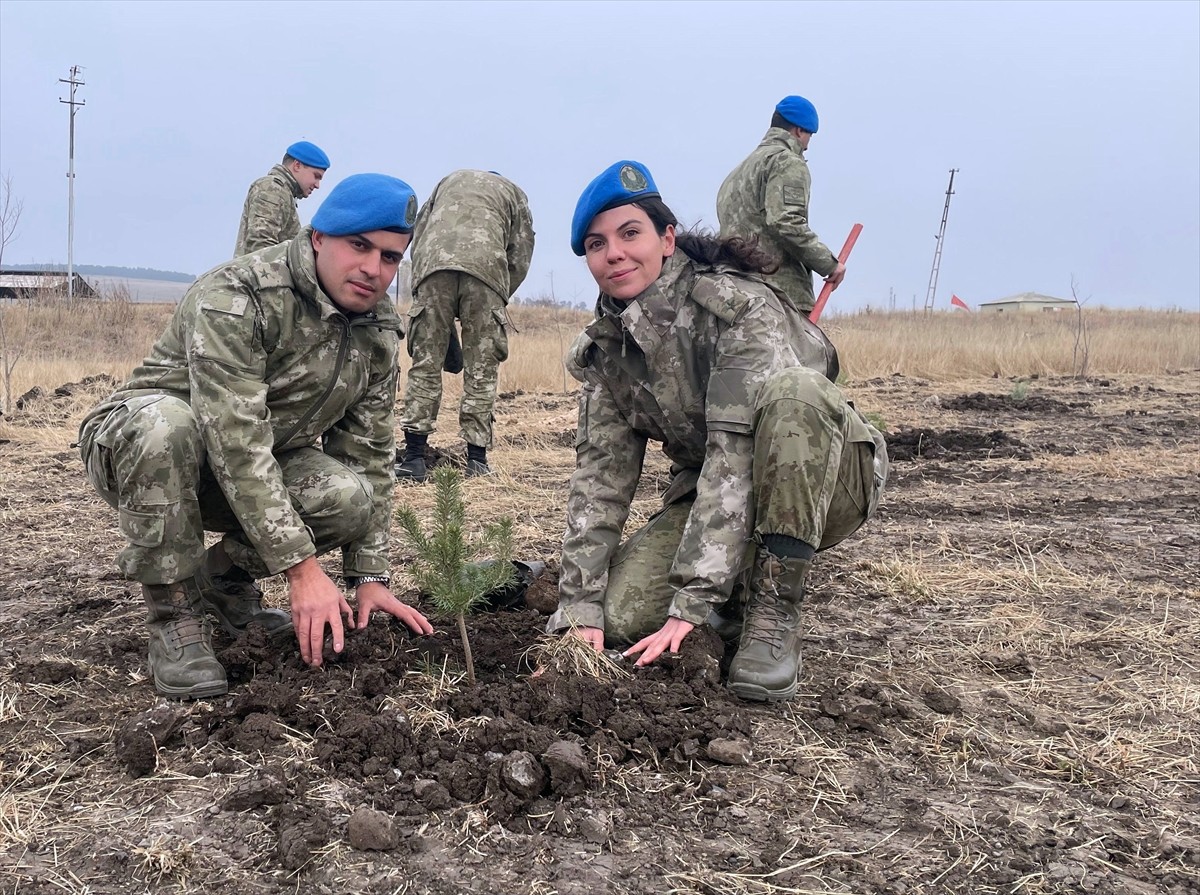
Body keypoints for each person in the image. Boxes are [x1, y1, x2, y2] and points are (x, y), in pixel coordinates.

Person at [80, 173, 434, 700]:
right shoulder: (241, 292)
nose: (373, 270)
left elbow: (369, 455)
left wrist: (369, 576)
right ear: (318, 237)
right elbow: (234, 435)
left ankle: (221, 583)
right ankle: (175, 615)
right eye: (359, 246)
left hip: (252, 464)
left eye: (390, 257)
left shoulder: (376, 327)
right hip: (150, 454)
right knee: (166, 424)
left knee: (347, 497)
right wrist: (300, 568)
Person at [548, 160, 887, 702]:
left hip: (824, 481)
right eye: (595, 244)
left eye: (629, 233)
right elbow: (600, 479)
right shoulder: (606, 347)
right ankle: (738, 589)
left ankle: (774, 614)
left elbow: (735, 453)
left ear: (667, 238)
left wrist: (693, 601)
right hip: (714, 495)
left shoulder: (737, 309)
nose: (613, 253)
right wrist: (578, 602)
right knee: (622, 616)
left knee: (796, 393)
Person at [395, 169, 535, 480]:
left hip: (433, 267)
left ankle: (414, 457)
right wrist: (500, 293)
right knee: (481, 368)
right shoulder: (513, 192)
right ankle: (477, 461)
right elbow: (522, 250)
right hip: (487, 272)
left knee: (426, 363)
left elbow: (419, 230)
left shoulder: (447, 180)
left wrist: (422, 283)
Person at [717, 96, 844, 315]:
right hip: (779, 295)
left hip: (735, 294)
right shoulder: (787, 162)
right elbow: (785, 221)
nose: (807, 146)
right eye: (809, 136)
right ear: (798, 131)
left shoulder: (736, 174)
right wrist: (829, 264)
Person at [234, 140, 330, 257]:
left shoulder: (283, 193)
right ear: (297, 165)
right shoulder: (272, 188)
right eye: (316, 176)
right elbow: (261, 244)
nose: (317, 185)